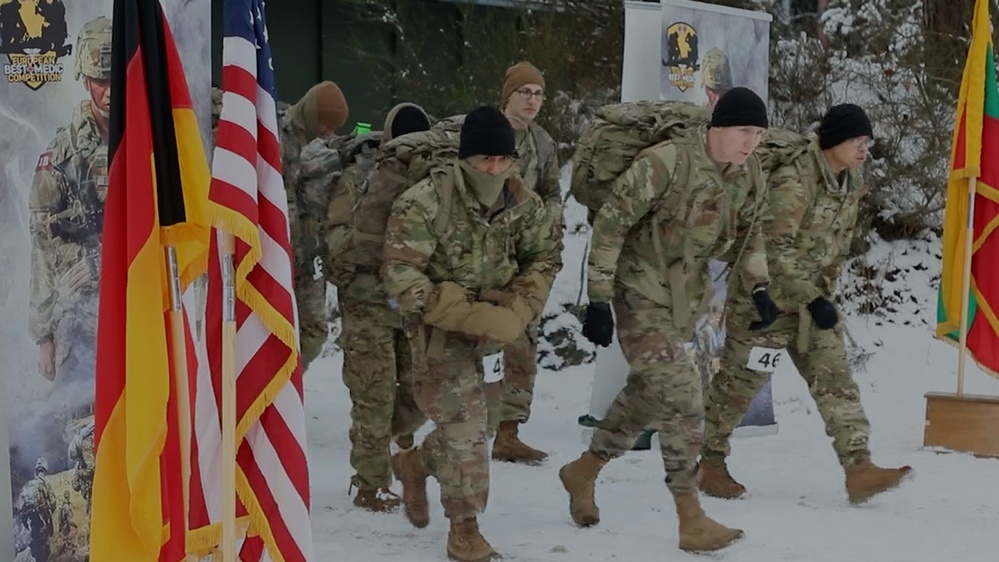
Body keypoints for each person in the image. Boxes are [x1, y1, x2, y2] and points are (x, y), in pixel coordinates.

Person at [559, 87, 777, 553]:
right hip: (636, 290)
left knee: (648, 394)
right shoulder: (665, 162)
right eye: (744, 131)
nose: (751, 142)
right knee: (682, 392)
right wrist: (597, 299)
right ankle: (689, 515)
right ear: (718, 127)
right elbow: (612, 223)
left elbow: (751, 232)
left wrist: (758, 286)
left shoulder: (748, 172)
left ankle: (584, 469)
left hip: (682, 297)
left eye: (758, 133)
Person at [699, 103, 913, 504]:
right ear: (834, 141)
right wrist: (812, 298)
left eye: (867, 142)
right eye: (857, 140)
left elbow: (836, 244)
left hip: (812, 304)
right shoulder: (795, 181)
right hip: (764, 305)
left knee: (836, 379)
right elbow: (774, 250)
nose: (864, 149)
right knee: (738, 388)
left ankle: (859, 466)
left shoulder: (849, 180)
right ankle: (709, 463)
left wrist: (823, 295)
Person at [384, 106, 561, 561]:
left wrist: (520, 307)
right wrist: (467, 314)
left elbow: (544, 259)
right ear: (465, 159)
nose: (496, 170)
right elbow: (402, 275)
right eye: (486, 161)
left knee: (477, 425)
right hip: (440, 333)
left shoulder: (524, 203)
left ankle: (415, 463)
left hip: (499, 331)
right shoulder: (425, 202)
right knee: (464, 429)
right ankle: (464, 529)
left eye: (504, 161)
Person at [333, 101, 432, 512]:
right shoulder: (360, 176)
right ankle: (370, 481)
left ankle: (372, 441)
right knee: (374, 394)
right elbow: (337, 230)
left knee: (419, 394)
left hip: (412, 305)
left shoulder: (432, 179)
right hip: (366, 303)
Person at [491, 61, 563, 464]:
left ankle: (508, 431)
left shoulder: (544, 143)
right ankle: (467, 425)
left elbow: (552, 191)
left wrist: (550, 232)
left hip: (527, 259)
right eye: (525, 93)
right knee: (479, 342)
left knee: (524, 342)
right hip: (486, 258)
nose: (533, 100)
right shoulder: (485, 132)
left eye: (538, 94)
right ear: (508, 96)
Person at [278, 81, 350, 369]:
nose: (328, 131)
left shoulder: (325, 147)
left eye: (333, 127)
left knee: (314, 330)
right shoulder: (277, 134)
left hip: (309, 256)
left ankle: (288, 384)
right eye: (324, 124)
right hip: (275, 255)